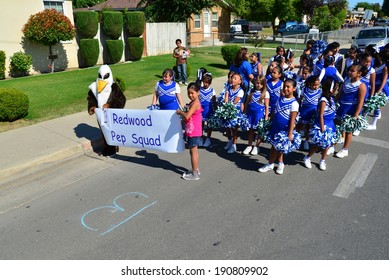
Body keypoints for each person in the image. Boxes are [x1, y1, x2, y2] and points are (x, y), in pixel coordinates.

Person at [258, 78, 300, 175]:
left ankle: (272, 164)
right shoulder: (281, 98)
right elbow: (275, 111)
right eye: (284, 86)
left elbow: (292, 120)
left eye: (288, 87)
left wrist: (290, 134)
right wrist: (269, 121)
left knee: (278, 148)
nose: (285, 89)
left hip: (284, 130)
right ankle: (278, 163)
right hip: (275, 127)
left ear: (294, 89)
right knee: (275, 147)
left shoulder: (294, 103)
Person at [87, 65, 126, 157]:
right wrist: (92, 106)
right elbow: (91, 98)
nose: (103, 79)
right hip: (100, 114)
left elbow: (121, 100)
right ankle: (106, 148)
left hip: (111, 115)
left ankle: (112, 149)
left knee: (111, 131)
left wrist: (110, 105)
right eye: (101, 76)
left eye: (105, 76)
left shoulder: (114, 87)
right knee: (104, 132)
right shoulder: (94, 86)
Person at [332, 64, 367, 158]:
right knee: (337, 126)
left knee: (348, 131)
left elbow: (361, 101)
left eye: (352, 71)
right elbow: (339, 94)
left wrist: (355, 115)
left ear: (359, 73)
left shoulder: (361, 86)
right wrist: (332, 103)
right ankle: (332, 146)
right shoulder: (346, 81)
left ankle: (345, 149)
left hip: (351, 111)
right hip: (342, 108)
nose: (349, 72)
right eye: (349, 70)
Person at [303, 79, 337, 171]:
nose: (336, 90)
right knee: (317, 144)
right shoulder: (323, 99)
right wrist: (322, 128)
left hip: (330, 124)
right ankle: (307, 157)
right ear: (330, 89)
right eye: (335, 88)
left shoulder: (331, 98)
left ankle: (322, 160)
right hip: (323, 125)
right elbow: (321, 114)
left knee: (327, 144)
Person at [176, 83, 203, 181]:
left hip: (194, 131)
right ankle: (195, 169)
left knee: (193, 152)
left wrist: (181, 112)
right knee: (193, 152)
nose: (190, 95)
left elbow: (187, 116)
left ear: (198, 92)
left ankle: (195, 173)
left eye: (192, 93)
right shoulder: (192, 102)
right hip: (191, 130)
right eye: (188, 93)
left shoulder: (196, 103)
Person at [242, 75, 269, 155]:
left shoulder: (265, 93)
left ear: (264, 84)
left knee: (259, 131)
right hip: (250, 113)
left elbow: (267, 106)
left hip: (259, 114)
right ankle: (249, 145)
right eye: (257, 83)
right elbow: (247, 102)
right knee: (251, 130)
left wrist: (266, 118)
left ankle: (256, 146)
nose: (258, 85)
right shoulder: (251, 91)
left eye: (261, 83)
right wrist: (244, 112)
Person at [296, 75, 322, 150]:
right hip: (304, 111)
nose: (316, 87)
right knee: (300, 126)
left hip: (312, 112)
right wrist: (298, 109)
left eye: (318, 85)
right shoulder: (304, 90)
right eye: (314, 85)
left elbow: (320, 103)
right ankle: (297, 140)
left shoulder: (319, 92)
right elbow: (300, 100)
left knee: (309, 127)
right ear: (310, 83)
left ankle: (306, 141)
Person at [224, 73, 245, 153]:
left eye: (235, 78)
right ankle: (229, 140)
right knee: (227, 127)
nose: (232, 79)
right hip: (228, 110)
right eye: (232, 78)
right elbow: (226, 98)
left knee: (234, 128)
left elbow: (235, 102)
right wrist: (225, 107)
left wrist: (229, 107)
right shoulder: (228, 88)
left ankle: (234, 144)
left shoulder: (240, 91)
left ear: (239, 82)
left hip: (235, 111)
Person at [199, 72, 216, 147]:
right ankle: (200, 137)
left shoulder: (212, 91)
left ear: (210, 83)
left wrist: (216, 110)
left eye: (207, 83)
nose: (205, 84)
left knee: (209, 125)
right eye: (204, 82)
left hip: (209, 110)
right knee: (200, 124)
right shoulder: (199, 90)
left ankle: (208, 139)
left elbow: (214, 101)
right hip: (201, 110)